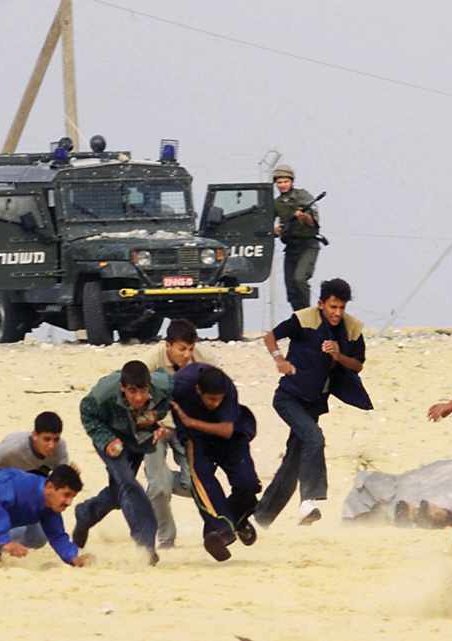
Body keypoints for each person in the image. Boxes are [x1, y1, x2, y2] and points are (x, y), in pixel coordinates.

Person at [256, 278, 372, 527]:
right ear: (321, 304)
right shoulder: (304, 319)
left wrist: (339, 355)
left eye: (341, 308)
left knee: (293, 462)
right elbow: (270, 337)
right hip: (288, 398)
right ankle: (309, 501)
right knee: (315, 438)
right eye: (332, 307)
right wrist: (280, 360)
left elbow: (358, 365)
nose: (337, 313)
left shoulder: (352, 330)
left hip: (314, 403)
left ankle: (260, 518)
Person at [72, 360, 173, 564]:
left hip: (138, 439)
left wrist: (160, 422)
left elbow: (173, 403)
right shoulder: (103, 393)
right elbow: (87, 413)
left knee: (120, 494)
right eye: (132, 391)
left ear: (150, 386)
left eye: (143, 391)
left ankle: (85, 513)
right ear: (122, 388)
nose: (138, 397)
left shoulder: (165, 386)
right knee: (128, 484)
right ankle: (146, 546)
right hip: (110, 438)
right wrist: (107, 440)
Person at [170, 364, 260, 561]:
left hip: (230, 436)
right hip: (197, 440)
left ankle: (236, 520)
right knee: (203, 481)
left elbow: (227, 430)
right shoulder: (179, 385)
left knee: (248, 484)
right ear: (198, 391)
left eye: (220, 399)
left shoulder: (227, 388)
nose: (216, 403)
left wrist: (190, 422)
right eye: (211, 399)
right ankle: (221, 531)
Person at [141, 318, 216, 548]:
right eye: (181, 349)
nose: (187, 354)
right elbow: (131, 394)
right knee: (160, 488)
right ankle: (166, 539)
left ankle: (154, 487)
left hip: (188, 428)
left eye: (191, 349)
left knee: (194, 484)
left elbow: (218, 396)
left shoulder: (205, 362)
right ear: (168, 346)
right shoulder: (150, 361)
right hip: (155, 429)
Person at [0, 411, 70, 548]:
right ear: (35, 436)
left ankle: (7, 542)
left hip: (31, 488)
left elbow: (60, 483)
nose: (52, 445)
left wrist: (69, 477)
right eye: (46, 439)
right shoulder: (13, 448)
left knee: (38, 539)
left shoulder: (60, 448)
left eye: (56, 439)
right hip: (2, 487)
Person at [271, 165, 321, 312]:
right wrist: (275, 230)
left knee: (300, 279)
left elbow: (314, 223)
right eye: (279, 182)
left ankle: (308, 314)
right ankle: (299, 318)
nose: (282, 185)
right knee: (291, 289)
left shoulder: (303, 196)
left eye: (285, 181)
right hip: (291, 247)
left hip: (308, 245)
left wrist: (304, 217)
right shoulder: (277, 203)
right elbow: (267, 224)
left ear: (291, 181)